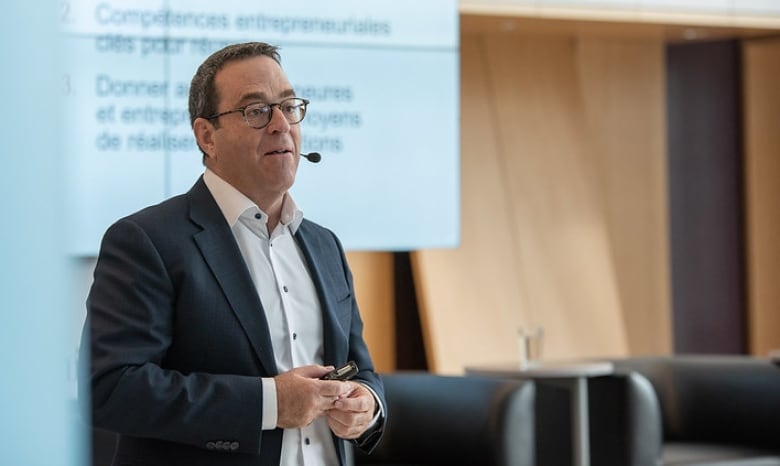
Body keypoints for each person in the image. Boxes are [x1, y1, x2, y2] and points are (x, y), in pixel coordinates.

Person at [80, 41, 386, 466]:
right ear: (207, 136)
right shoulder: (146, 240)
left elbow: (360, 367)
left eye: (289, 106)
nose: (281, 124)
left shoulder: (324, 244)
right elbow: (111, 388)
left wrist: (367, 405)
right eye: (256, 110)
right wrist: (270, 403)